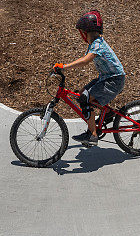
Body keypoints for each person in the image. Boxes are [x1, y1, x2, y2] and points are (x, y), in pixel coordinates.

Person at [54, 10, 125, 146]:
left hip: (114, 80)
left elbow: (85, 61)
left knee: (85, 98)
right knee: (82, 93)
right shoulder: (95, 43)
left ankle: (92, 135)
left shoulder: (97, 44)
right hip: (107, 78)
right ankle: (108, 113)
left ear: (85, 32)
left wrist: (64, 67)